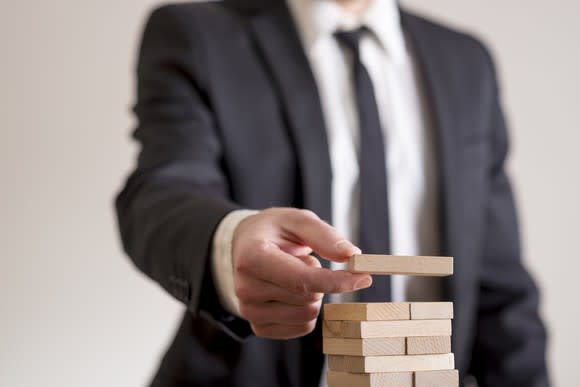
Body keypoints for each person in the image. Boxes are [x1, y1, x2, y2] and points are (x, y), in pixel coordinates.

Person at [115, 0, 550, 386]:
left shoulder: (466, 61)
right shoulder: (197, 33)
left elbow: (499, 284)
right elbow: (161, 193)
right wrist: (230, 245)